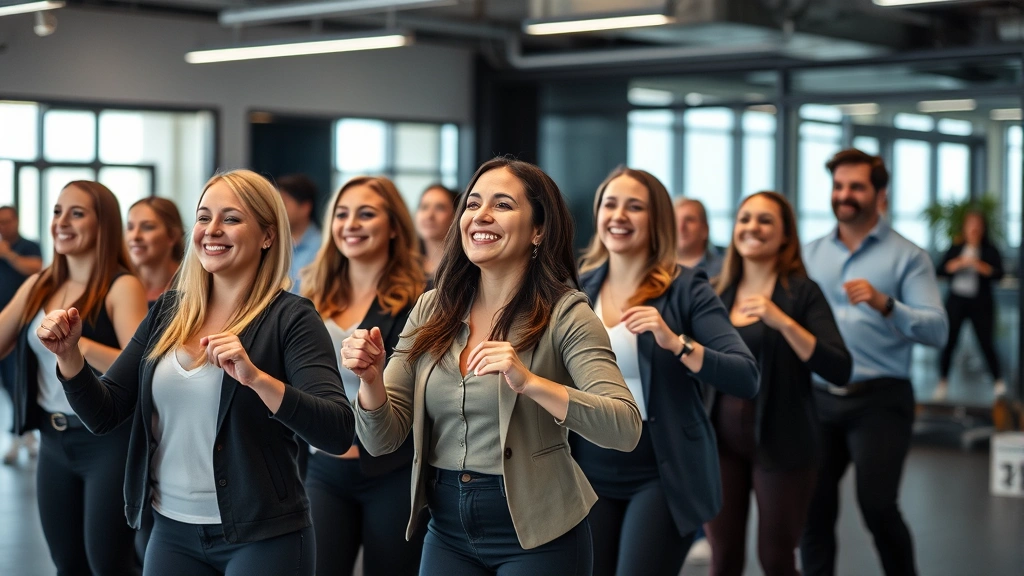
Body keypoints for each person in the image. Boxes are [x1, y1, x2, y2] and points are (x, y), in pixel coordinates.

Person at [37, 170, 355, 576]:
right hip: (171, 532)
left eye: (231, 218)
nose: (212, 229)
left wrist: (257, 379)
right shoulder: (169, 311)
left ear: (268, 236)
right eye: (204, 217)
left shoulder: (291, 318)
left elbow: (336, 431)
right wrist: (69, 357)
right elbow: (106, 412)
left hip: (264, 536)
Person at [344, 157, 643, 576]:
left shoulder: (567, 314)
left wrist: (531, 382)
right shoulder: (432, 308)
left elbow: (625, 428)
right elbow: (381, 441)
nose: (481, 215)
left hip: (540, 532)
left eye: (502, 204)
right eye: (473, 204)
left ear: (538, 230)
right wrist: (371, 381)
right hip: (447, 530)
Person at [575, 166, 759, 576]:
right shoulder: (576, 287)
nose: (619, 215)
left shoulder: (687, 288)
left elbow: (745, 375)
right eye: (610, 204)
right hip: (587, 468)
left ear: (656, 218)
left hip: (660, 470)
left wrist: (676, 343)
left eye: (634, 207)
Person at [800, 149, 948, 576]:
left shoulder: (908, 257)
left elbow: (938, 330)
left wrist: (887, 304)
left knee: (878, 507)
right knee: (812, 508)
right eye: (838, 186)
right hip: (819, 399)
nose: (844, 195)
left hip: (879, 399)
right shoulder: (809, 254)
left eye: (856, 187)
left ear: (881, 194)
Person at [0, 182, 148, 575]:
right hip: (53, 440)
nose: (61, 222)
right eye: (57, 212)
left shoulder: (121, 285)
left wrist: (74, 344)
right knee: (67, 564)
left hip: (108, 442)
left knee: (108, 565)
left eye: (76, 213)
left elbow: (141, 366)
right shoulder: (41, 283)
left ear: (103, 225)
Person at [706, 191, 851, 576]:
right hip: (720, 445)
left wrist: (783, 322)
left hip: (783, 442)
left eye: (765, 220)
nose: (752, 227)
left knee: (776, 559)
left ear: (786, 235)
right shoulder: (716, 291)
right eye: (745, 218)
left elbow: (839, 368)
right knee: (723, 558)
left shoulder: (802, 293)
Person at [300, 175, 426, 576]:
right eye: (342, 214)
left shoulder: (420, 300)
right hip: (322, 466)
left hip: (391, 469)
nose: (351, 224)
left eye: (366, 214)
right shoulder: (310, 294)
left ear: (394, 227)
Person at [933, 210, 1006, 400]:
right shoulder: (956, 248)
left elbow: (999, 274)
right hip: (957, 302)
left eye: (977, 224)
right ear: (964, 227)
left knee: (986, 342)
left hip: (980, 303)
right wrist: (957, 264)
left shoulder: (989, 250)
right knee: (949, 342)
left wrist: (980, 266)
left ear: (983, 228)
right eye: (970, 224)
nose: (974, 228)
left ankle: (998, 383)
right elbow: (940, 270)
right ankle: (942, 382)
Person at [0, 205, 43, 465]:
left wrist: (8, 255)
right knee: (7, 384)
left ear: (16, 221)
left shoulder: (28, 246)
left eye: (6, 221)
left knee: (18, 381)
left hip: (22, 326)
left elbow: (37, 269)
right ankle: (23, 432)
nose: (3, 227)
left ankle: (20, 432)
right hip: (2, 326)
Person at [127, 197, 185, 305]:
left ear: (172, 235)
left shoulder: (191, 285)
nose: (135, 236)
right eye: (130, 227)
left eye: (147, 227)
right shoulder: (120, 285)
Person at [277, 174, 322, 292]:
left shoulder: (322, 247)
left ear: (305, 207)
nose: (278, 210)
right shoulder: (274, 244)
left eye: (284, 204)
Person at [415, 183, 458, 280]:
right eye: (424, 207)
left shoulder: (464, 267)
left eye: (440, 208)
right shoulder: (405, 265)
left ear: (455, 216)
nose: (429, 215)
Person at [674, 197, 723, 278]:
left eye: (689, 220)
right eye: (675, 221)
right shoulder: (657, 269)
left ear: (705, 229)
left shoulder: (723, 271)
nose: (681, 227)